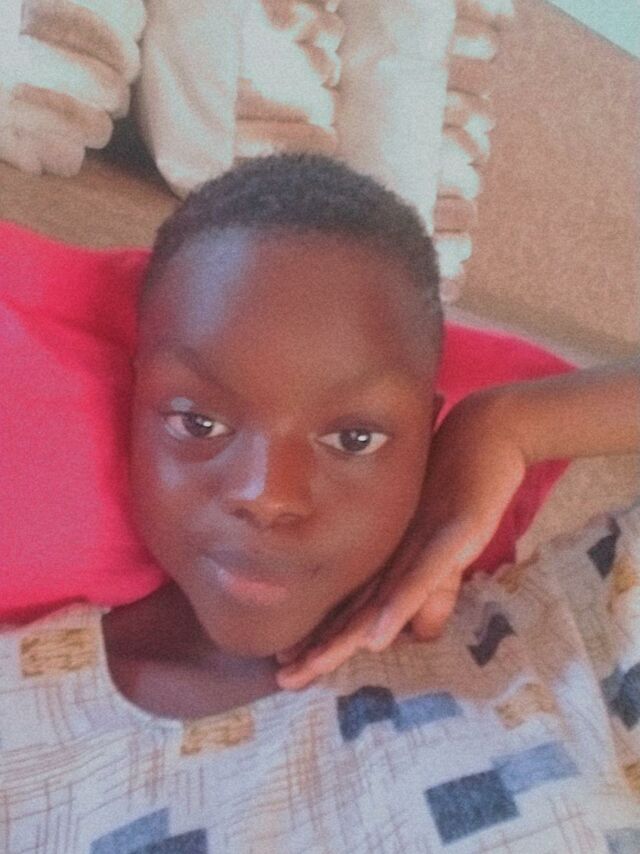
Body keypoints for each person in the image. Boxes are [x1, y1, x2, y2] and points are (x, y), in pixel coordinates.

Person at [2, 153, 638, 851]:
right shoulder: (21, 713)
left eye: (354, 438)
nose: (267, 496)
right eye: (198, 422)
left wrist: (509, 425)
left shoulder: (554, 641)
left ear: (425, 440)